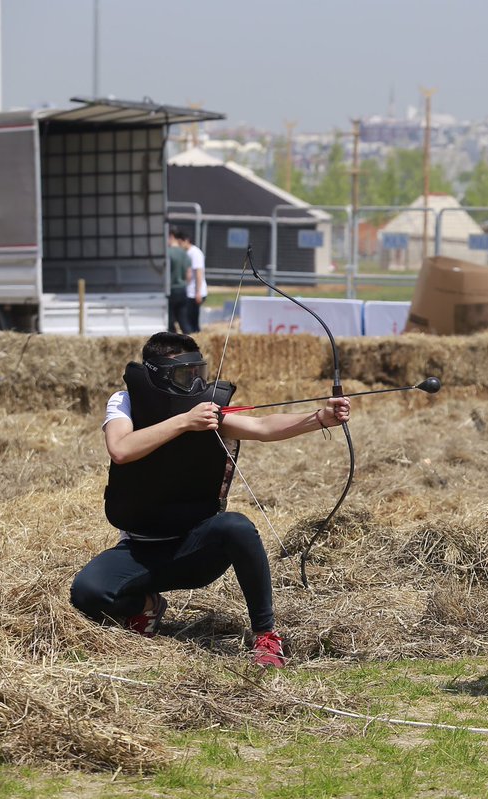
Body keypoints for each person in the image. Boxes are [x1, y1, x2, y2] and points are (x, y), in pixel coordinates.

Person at [69, 331, 351, 667]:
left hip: (195, 549)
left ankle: (265, 635)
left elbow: (263, 427)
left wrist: (320, 418)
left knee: (237, 527)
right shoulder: (125, 401)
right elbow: (121, 449)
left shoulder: (206, 408)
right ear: (156, 374)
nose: (193, 383)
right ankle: (147, 605)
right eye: (182, 376)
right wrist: (185, 422)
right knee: (86, 593)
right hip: (140, 550)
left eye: (197, 374)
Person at [173, 228, 207, 333]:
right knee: (186, 320)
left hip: (194, 293)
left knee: (191, 321)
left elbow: (198, 273)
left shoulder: (195, 253)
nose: (179, 245)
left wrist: (198, 292)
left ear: (186, 240)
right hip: (189, 292)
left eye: (180, 243)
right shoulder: (185, 253)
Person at [166, 231, 192, 334]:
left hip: (171, 290)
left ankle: (173, 341)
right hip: (182, 289)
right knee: (183, 321)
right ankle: (190, 342)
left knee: (170, 321)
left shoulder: (167, 253)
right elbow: (189, 274)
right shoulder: (184, 253)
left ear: (171, 237)